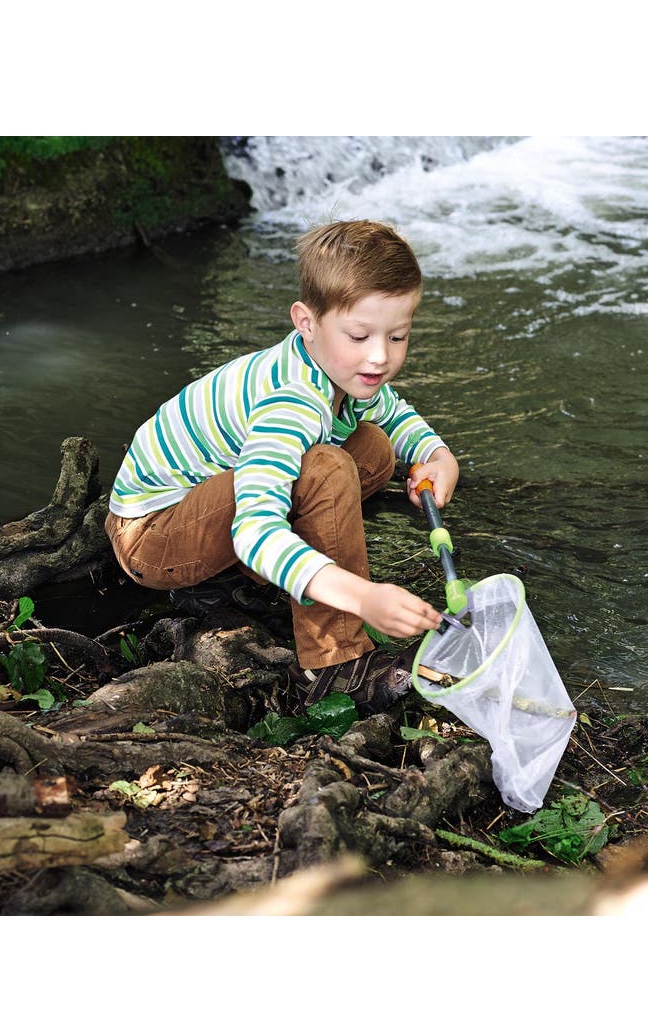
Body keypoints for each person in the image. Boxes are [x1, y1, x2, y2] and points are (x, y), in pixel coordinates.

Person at [105, 219, 460, 713]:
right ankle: (335, 664)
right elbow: (254, 531)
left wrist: (438, 456)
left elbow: (394, 412)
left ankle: (236, 581)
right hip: (154, 534)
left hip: (207, 505)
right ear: (307, 323)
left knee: (374, 449)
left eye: (397, 337)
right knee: (327, 469)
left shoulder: (340, 368)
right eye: (359, 335)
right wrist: (361, 597)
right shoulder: (291, 401)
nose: (380, 357)